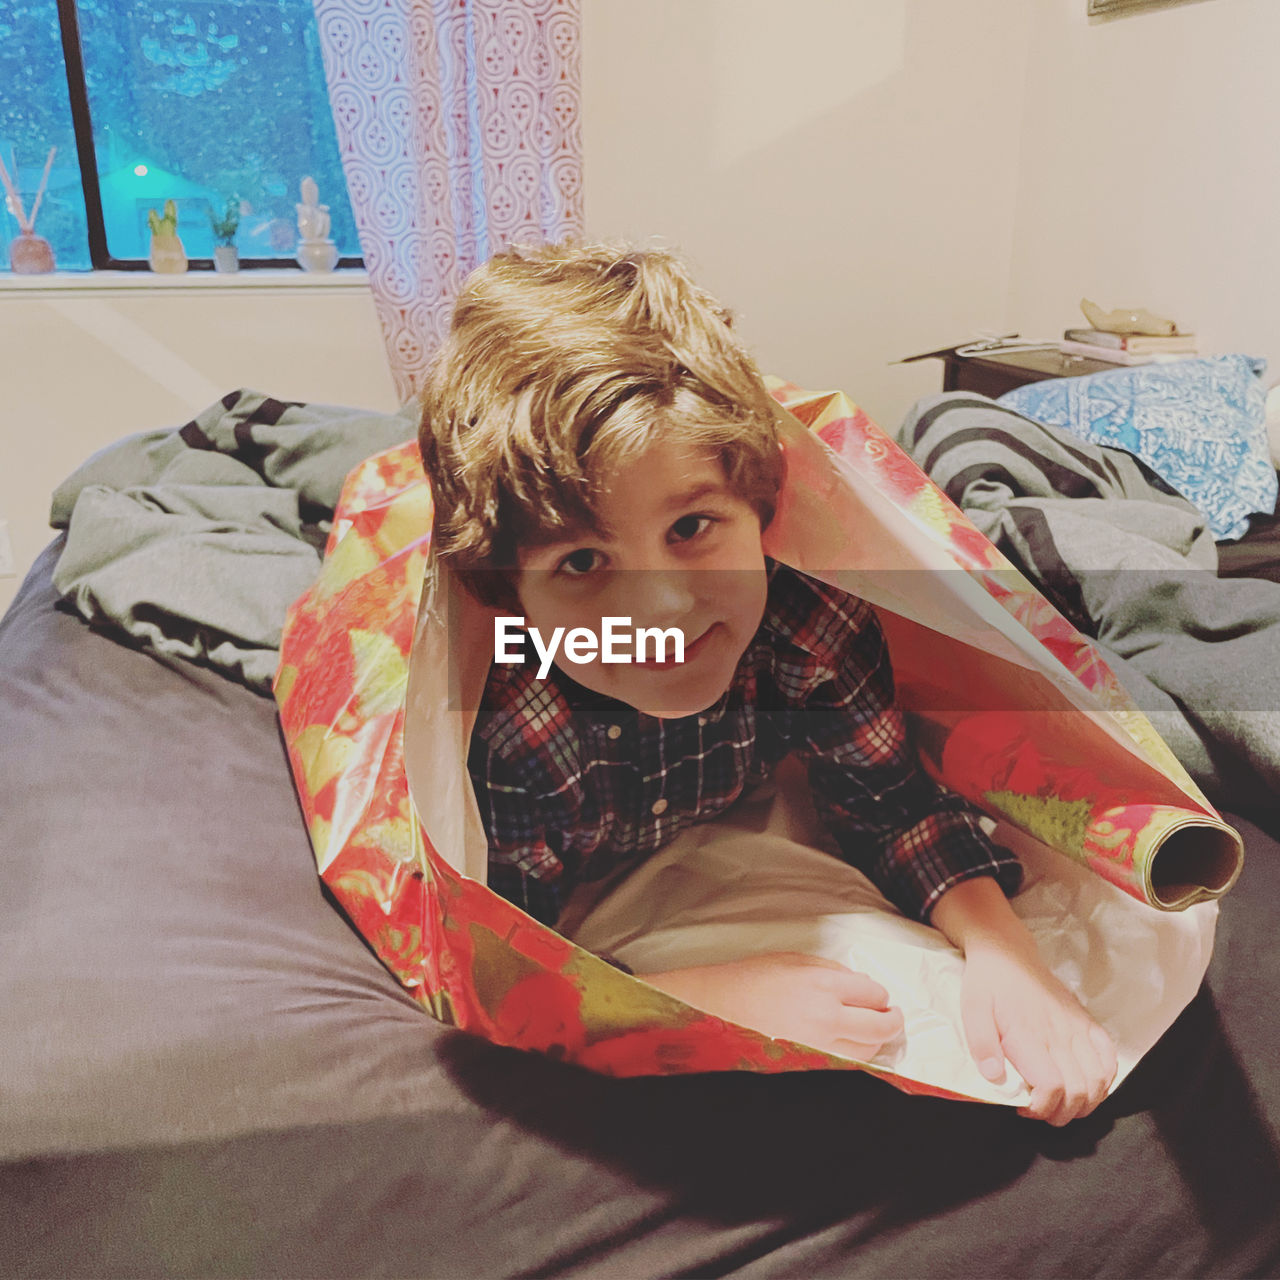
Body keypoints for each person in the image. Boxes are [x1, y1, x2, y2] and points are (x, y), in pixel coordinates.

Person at [418, 241, 1118, 1125]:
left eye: (692, 527)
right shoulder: (518, 716)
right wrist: (691, 997)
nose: (664, 608)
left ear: (761, 511)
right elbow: (503, 960)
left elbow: (892, 806)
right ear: (512, 591)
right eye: (585, 559)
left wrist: (1007, 956)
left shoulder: (806, 627)